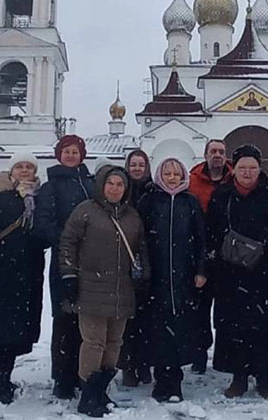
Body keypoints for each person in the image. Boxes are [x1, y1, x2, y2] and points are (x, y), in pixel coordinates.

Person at [58, 165, 150, 418]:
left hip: (122, 289)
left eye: (120, 185)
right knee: (93, 342)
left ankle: (101, 389)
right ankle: (88, 393)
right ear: (101, 185)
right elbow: (68, 243)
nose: (115, 189)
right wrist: (69, 274)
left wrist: (144, 276)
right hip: (91, 287)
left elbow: (141, 249)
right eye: (110, 183)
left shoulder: (132, 216)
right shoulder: (86, 211)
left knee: (114, 342)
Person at [206, 144, 268, 401]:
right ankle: (238, 377)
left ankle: (264, 379)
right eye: (243, 167)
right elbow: (212, 230)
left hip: (265, 272)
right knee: (234, 327)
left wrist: (267, 251)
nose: (248, 172)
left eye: (252, 167)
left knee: (264, 327)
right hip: (232, 272)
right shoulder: (223, 195)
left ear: (259, 168)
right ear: (235, 168)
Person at [0, 152, 46, 404]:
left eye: (29, 167)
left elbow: (41, 233)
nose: (24, 170)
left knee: (15, 331)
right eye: (20, 166)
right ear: (11, 170)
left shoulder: (38, 198)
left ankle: (6, 376)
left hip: (27, 274)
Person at [137, 158, 206, 402]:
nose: (172, 178)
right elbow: (139, 238)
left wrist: (200, 269)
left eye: (177, 173)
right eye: (167, 173)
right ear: (160, 176)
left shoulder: (190, 202)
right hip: (156, 277)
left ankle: (175, 380)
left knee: (179, 329)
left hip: (183, 277)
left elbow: (200, 239)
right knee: (157, 329)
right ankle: (160, 379)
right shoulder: (150, 201)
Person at [33, 135, 94, 399]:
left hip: (92, 260)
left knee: (88, 318)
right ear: (59, 155)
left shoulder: (91, 184)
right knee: (64, 317)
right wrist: (67, 241)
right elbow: (43, 222)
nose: (71, 155)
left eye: (75, 151)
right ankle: (63, 377)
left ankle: (83, 372)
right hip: (64, 260)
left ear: (82, 155)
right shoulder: (50, 186)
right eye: (66, 151)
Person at [188, 139, 233, 373]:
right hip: (202, 250)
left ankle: (227, 355)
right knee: (200, 307)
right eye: (213, 151)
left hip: (229, 253)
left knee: (227, 307)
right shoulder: (193, 180)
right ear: (205, 155)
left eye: (221, 152)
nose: (217, 155)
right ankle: (199, 352)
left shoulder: (234, 179)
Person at [118, 149, 153, 387]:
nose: (138, 169)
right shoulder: (120, 191)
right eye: (134, 165)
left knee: (147, 318)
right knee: (126, 318)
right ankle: (128, 365)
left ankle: (144, 363)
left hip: (150, 261)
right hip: (123, 261)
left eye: (141, 165)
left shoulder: (154, 191)